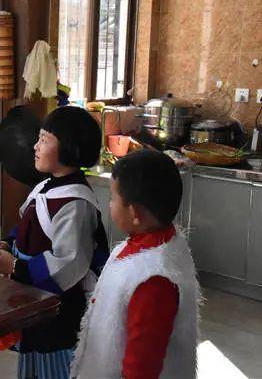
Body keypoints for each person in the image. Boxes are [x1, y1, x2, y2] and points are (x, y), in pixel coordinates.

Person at [0, 106, 109, 379]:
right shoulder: (47, 187)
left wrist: (16, 267)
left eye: (43, 140)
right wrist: (9, 243)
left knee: (54, 366)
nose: (35, 146)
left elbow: (68, 264)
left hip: (59, 310)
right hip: (36, 301)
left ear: (68, 149)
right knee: (34, 363)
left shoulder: (75, 204)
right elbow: (31, 226)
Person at [71, 150, 200, 379]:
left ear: (135, 213)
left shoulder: (153, 280)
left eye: (113, 198)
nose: (109, 205)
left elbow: (141, 369)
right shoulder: (153, 243)